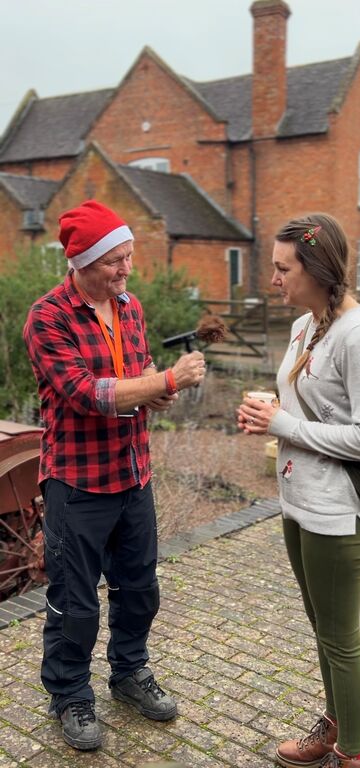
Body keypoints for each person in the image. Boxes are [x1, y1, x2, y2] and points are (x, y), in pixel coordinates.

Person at [23, 200, 206, 751]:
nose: (125, 269)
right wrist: (166, 381)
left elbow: (137, 376)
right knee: (75, 601)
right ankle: (70, 694)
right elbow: (87, 394)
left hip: (133, 474)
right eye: (113, 261)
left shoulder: (128, 306)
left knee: (140, 589)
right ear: (82, 261)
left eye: (128, 257)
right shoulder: (47, 317)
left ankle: (129, 673)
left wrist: (158, 389)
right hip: (78, 482)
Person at [237, 213, 360, 768]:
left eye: (283, 268)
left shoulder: (358, 332)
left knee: (341, 639)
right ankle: (333, 729)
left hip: (337, 513)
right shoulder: (309, 324)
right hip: (299, 503)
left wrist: (284, 426)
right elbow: (311, 409)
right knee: (323, 631)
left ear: (317, 268)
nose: (273, 279)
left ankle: (354, 755)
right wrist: (271, 411)